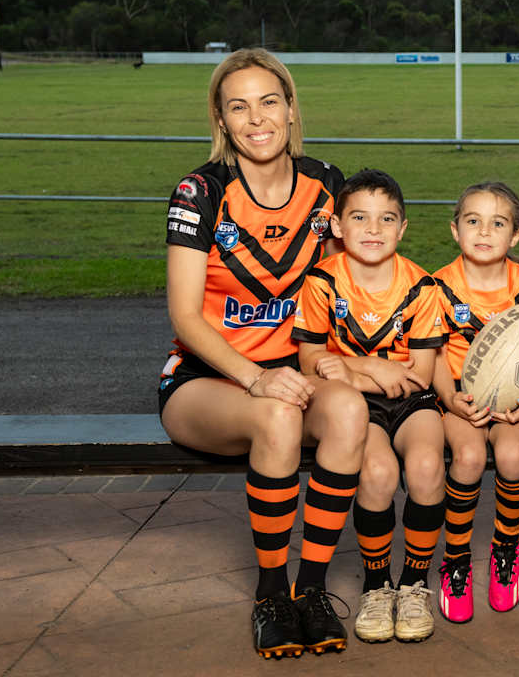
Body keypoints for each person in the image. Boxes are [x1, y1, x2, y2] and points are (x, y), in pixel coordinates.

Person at [159, 48, 367, 659]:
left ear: (292, 109)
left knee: (349, 410)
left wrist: (343, 360)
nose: (256, 119)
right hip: (207, 381)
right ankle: (271, 595)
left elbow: (341, 290)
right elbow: (184, 317)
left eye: (269, 102)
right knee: (277, 415)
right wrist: (256, 378)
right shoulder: (200, 191)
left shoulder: (326, 183)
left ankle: (312, 591)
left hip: (294, 375)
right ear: (221, 120)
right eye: (238, 106)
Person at [292, 169, 447, 644]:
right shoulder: (322, 281)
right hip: (357, 405)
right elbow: (310, 359)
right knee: (377, 473)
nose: (373, 229)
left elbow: (419, 375)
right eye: (359, 217)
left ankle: (414, 583)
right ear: (338, 226)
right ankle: (377, 586)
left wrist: (349, 368)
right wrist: (371, 368)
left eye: (386, 219)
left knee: (426, 466)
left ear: (402, 228)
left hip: (412, 401)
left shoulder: (422, 286)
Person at [431, 182, 519, 623]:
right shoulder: (437, 285)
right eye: (473, 221)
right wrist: (451, 399)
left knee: (513, 455)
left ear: (515, 235)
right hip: (458, 397)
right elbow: (434, 354)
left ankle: (505, 547)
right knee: (468, 456)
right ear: (455, 230)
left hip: (515, 398)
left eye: (497, 223)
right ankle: (456, 557)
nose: (484, 231)